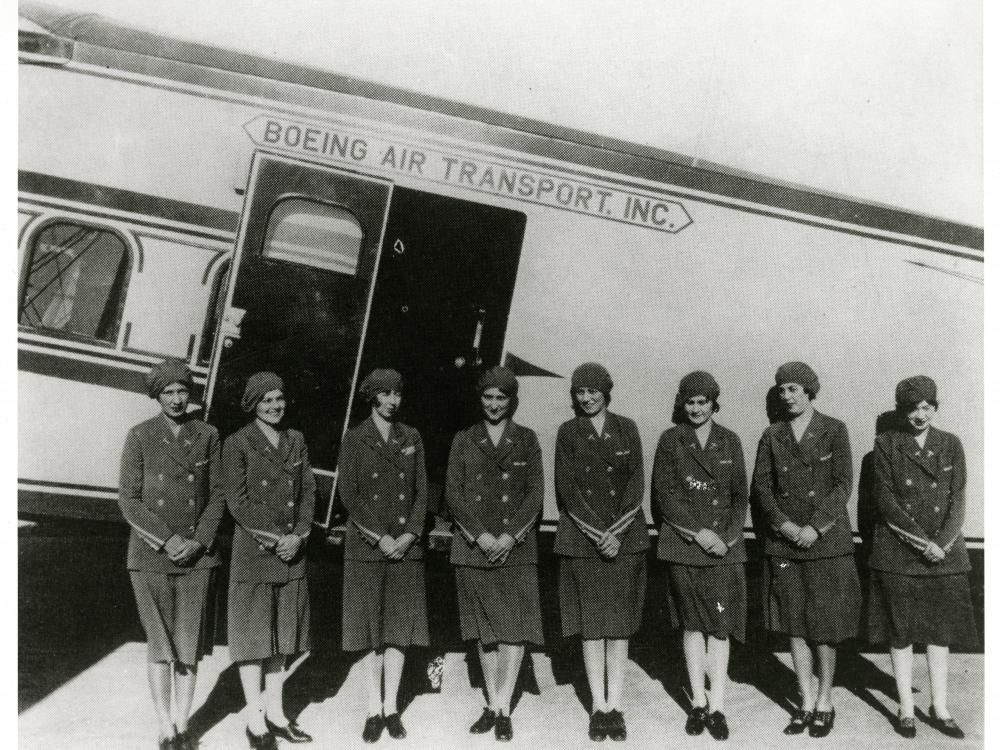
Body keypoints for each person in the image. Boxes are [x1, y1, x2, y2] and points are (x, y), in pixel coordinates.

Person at [118, 360, 225, 750]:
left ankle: (183, 726)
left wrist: (198, 541)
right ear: (157, 396)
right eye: (169, 393)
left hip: (198, 556)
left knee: (189, 646)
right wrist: (167, 541)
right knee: (161, 647)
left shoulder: (208, 435)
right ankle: (164, 727)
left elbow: (218, 494)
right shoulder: (140, 436)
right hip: (151, 556)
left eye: (183, 391)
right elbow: (128, 500)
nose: (177, 400)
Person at [752, 362, 860, 738]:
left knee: (824, 626)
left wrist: (816, 527)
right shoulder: (772, 434)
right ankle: (805, 700)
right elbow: (762, 488)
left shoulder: (834, 429)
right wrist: (784, 526)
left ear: (810, 391)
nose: (787, 396)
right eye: (781, 390)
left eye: (794, 389)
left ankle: (825, 700)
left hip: (824, 542)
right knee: (793, 624)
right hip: (785, 542)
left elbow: (843, 483)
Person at [867, 376, 976, 740]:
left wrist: (941, 543)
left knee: (939, 633)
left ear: (935, 407)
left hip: (944, 553)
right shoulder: (885, 444)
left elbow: (958, 499)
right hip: (900, 553)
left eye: (927, 407)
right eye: (913, 408)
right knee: (900, 633)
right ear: (902, 410)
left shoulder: (951, 444)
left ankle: (940, 707)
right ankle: (906, 706)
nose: (920, 414)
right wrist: (921, 542)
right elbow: (885, 501)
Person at [446, 366, 544, 742]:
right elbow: (454, 493)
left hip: (514, 549)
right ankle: (492, 702)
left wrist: (508, 537)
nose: (494, 404)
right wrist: (482, 536)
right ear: (479, 399)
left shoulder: (527, 439)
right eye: (488, 397)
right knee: (484, 631)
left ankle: (503, 705)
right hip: (475, 548)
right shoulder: (463, 439)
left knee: (513, 628)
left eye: (501, 398)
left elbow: (535, 494)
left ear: (511, 401)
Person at [554, 363, 647, 742]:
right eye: (580, 392)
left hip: (623, 540)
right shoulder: (568, 432)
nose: (587, 398)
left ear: (607, 392)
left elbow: (636, 481)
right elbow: (566, 487)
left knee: (619, 628)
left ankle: (617, 705)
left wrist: (617, 533)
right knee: (592, 629)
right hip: (584, 540)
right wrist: (598, 533)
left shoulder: (627, 427)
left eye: (594, 391)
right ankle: (598, 706)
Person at [653, 372, 747, 741]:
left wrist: (724, 537)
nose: (696, 409)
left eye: (702, 402)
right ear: (683, 404)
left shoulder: (730, 440)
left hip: (724, 547)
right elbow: (665, 494)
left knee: (719, 627)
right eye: (690, 402)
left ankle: (719, 704)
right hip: (686, 545)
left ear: (713, 404)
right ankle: (697, 702)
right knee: (692, 625)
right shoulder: (670, 440)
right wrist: (700, 533)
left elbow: (740, 495)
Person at [337, 369, 429, 743]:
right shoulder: (355, 438)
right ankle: (373, 708)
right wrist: (382, 538)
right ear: (372, 396)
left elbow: (423, 489)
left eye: (398, 393)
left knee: (397, 631)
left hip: (406, 547)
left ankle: (392, 707)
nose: (393, 401)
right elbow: (350, 494)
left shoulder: (413, 437)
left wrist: (408, 535)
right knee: (371, 631)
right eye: (385, 394)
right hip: (369, 548)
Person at [225, 372, 315, 750]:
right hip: (256, 554)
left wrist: (300, 535)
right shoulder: (238, 443)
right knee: (254, 641)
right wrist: (278, 539)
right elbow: (237, 502)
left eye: (279, 399)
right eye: (266, 401)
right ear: (252, 405)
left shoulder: (296, 440)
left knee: (282, 640)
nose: (274, 406)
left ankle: (277, 715)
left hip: (292, 552)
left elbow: (309, 490)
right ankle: (254, 720)